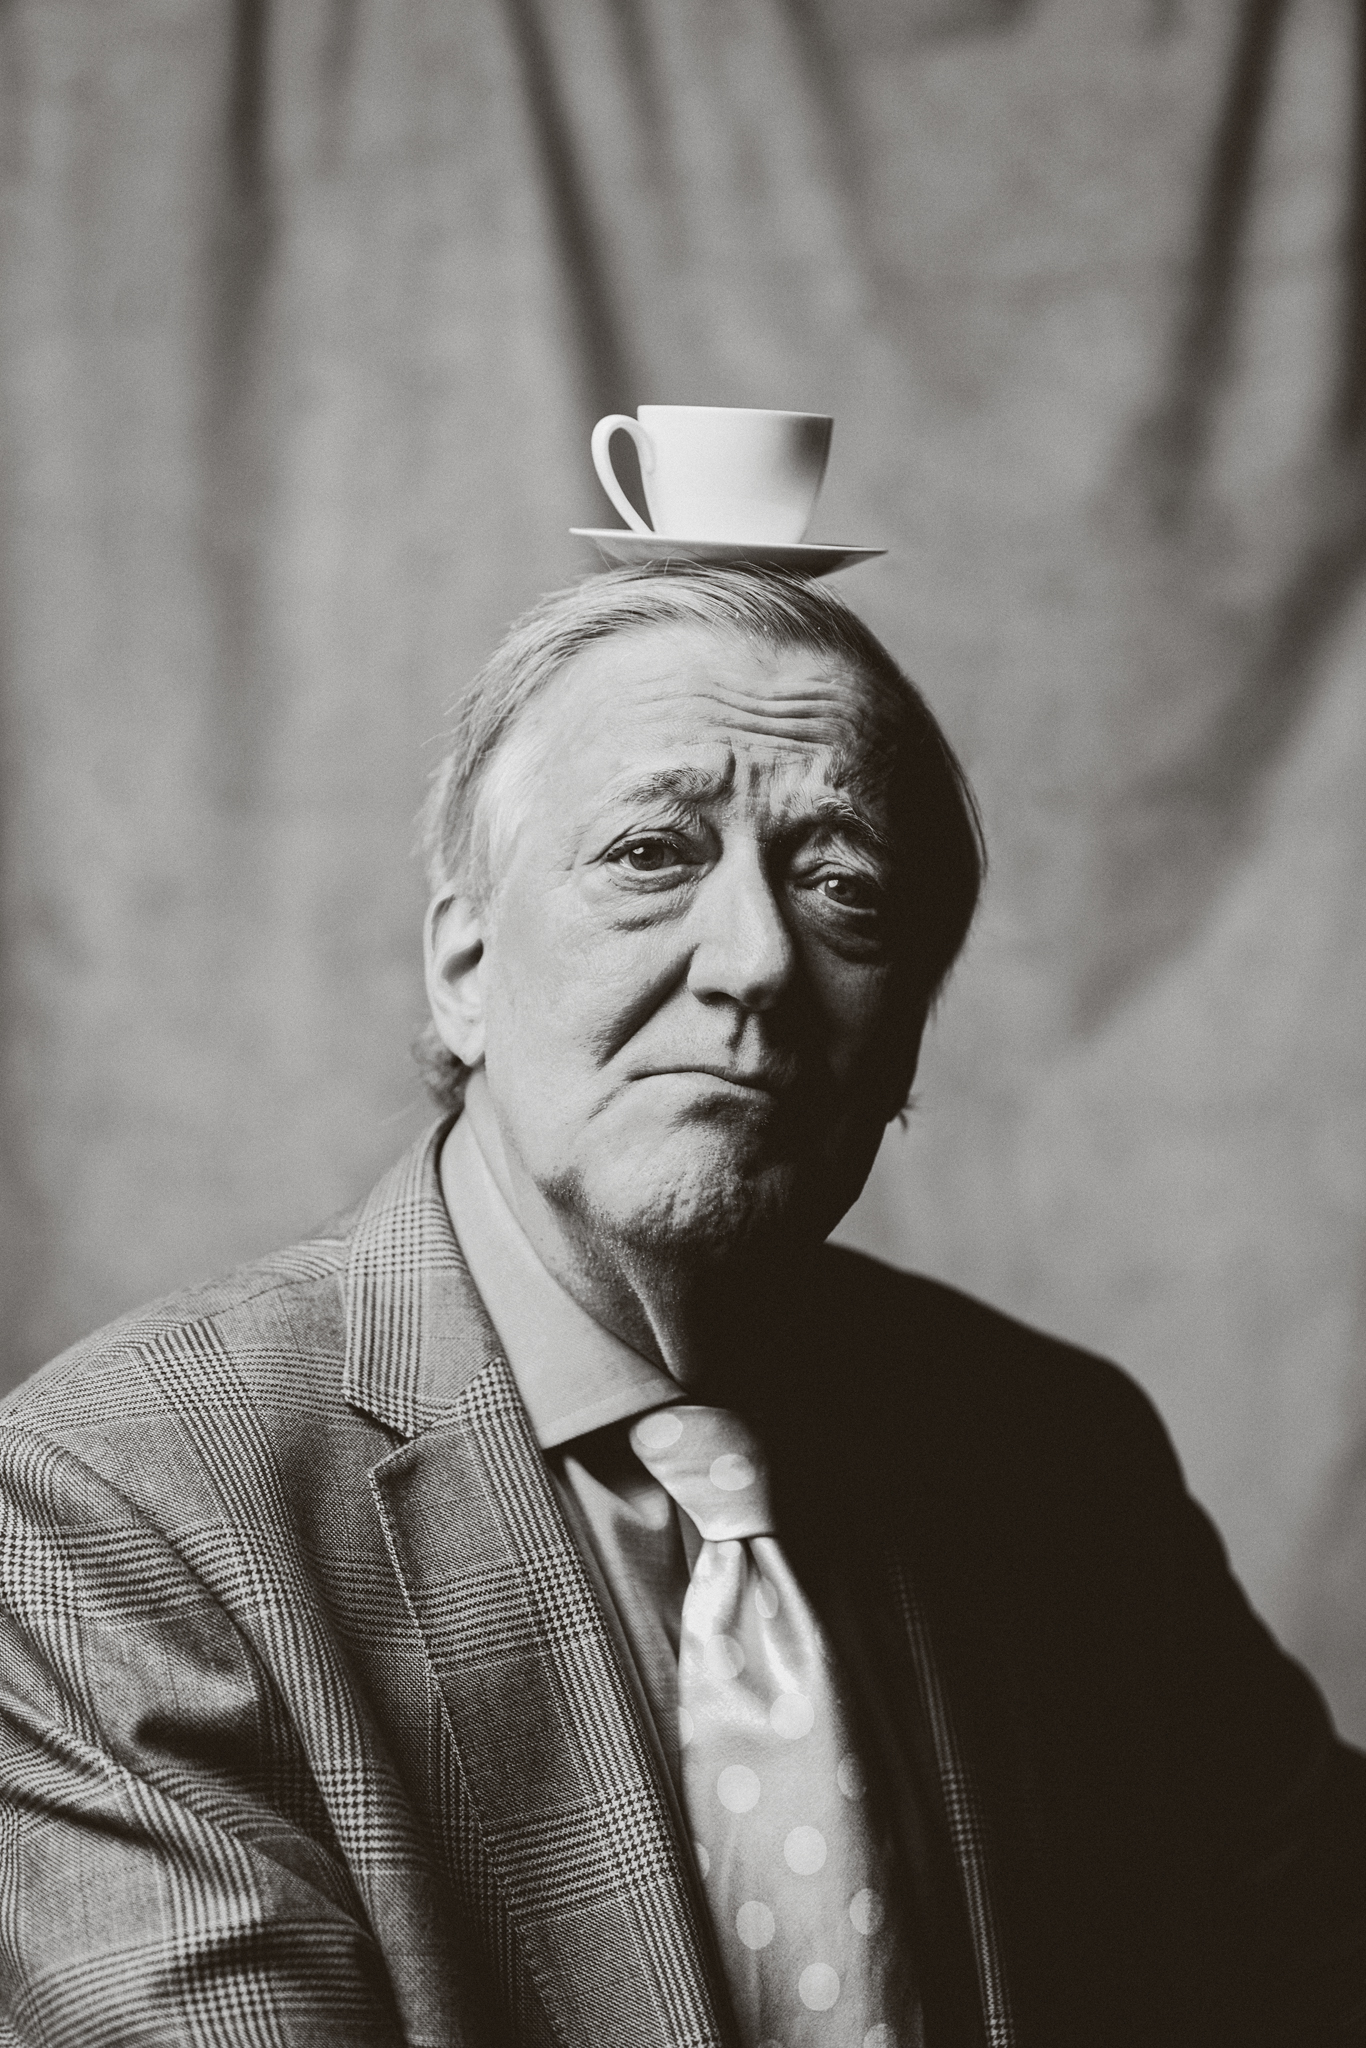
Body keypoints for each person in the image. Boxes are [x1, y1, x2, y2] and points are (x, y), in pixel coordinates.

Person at [0, 564, 1361, 2048]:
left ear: (908, 1035)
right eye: (652, 853)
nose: (758, 961)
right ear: (463, 966)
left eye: (843, 887)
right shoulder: (109, 1511)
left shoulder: (1052, 1451)